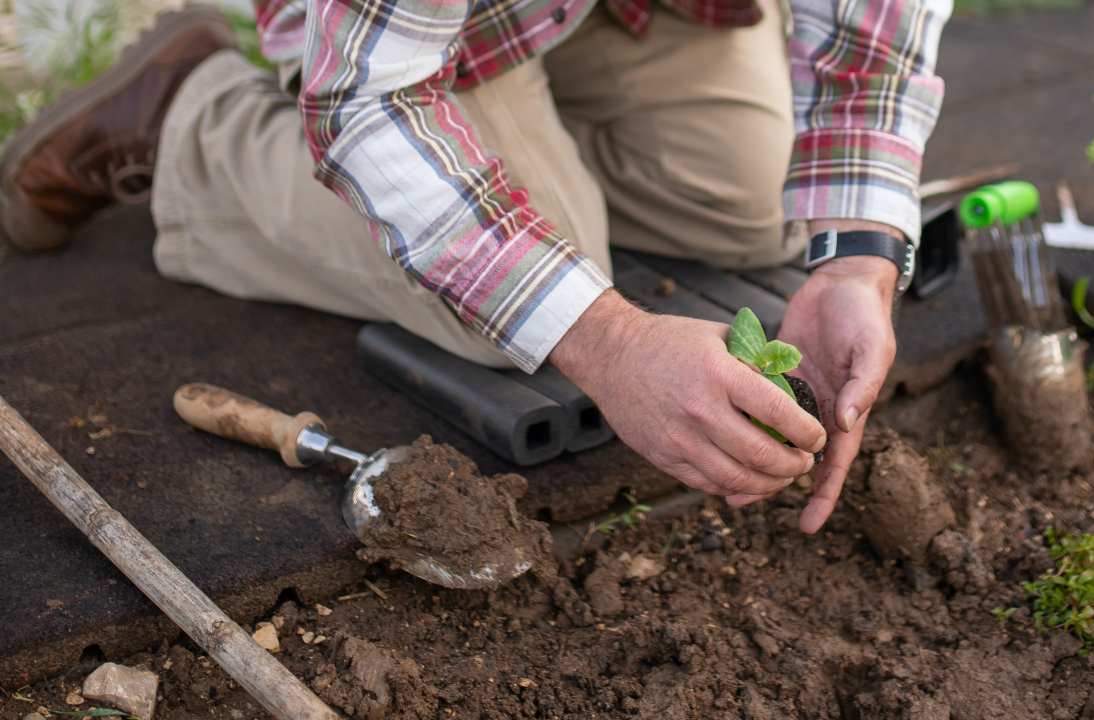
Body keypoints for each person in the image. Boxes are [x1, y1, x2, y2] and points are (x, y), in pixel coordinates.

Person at [0, 0, 948, 533]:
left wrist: (858, 260)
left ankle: (533, 143)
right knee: (506, 313)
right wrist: (607, 339)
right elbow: (369, 100)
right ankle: (196, 118)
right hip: (394, 43)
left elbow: (876, 39)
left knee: (760, 206)